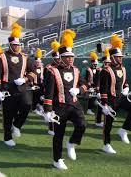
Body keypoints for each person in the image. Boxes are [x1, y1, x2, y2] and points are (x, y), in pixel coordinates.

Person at [43, 29, 88, 170]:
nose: (70, 58)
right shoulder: (52, 71)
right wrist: (48, 111)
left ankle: (72, 143)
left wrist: (79, 90)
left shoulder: (76, 70)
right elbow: (49, 92)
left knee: (82, 125)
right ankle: (57, 160)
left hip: (74, 104)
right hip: (59, 107)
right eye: (67, 56)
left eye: (72, 56)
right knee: (58, 135)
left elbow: (85, 84)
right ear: (61, 57)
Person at [0, 23, 36, 147]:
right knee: (8, 114)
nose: (17, 47)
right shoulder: (1, 57)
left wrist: (25, 79)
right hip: (7, 89)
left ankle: (17, 125)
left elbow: (33, 72)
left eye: (18, 45)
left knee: (27, 105)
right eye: (14, 45)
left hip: (22, 88)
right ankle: (7, 137)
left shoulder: (25, 57)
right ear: (10, 45)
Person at [43, 39, 61, 136]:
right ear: (54, 58)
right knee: (52, 110)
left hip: (61, 92)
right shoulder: (48, 68)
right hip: (51, 92)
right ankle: (51, 128)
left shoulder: (62, 67)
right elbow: (46, 82)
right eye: (57, 58)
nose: (59, 60)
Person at [85, 52, 102, 116]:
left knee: (98, 97)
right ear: (92, 63)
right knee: (91, 98)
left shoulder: (98, 69)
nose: (95, 65)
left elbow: (98, 78)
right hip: (91, 86)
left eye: (96, 64)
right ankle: (89, 110)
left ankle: (95, 104)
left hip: (97, 86)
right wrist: (89, 87)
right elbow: (86, 79)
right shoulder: (88, 69)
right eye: (94, 64)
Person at [32, 48, 44, 115]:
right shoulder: (32, 68)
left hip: (41, 84)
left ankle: (40, 106)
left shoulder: (43, 68)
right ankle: (34, 108)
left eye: (39, 62)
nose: (38, 63)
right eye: (36, 62)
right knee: (35, 97)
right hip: (34, 84)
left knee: (41, 97)